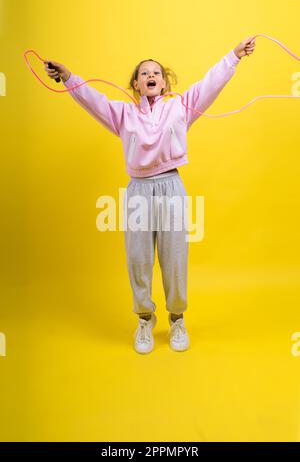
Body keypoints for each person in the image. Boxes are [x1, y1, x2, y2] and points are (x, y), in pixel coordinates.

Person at [44, 36, 256, 354]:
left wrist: (234, 56)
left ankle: (177, 318)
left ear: (164, 81)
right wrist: (68, 77)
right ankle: (145, 319)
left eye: (155, 72)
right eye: (144, 73)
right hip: (139, 191)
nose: (150, 75)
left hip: (171, 187)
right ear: (136, 84)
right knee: (139, 259)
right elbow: (93, 99)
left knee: (174, 258)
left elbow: (210, 84)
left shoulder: (180, 107)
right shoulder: (123, 115)